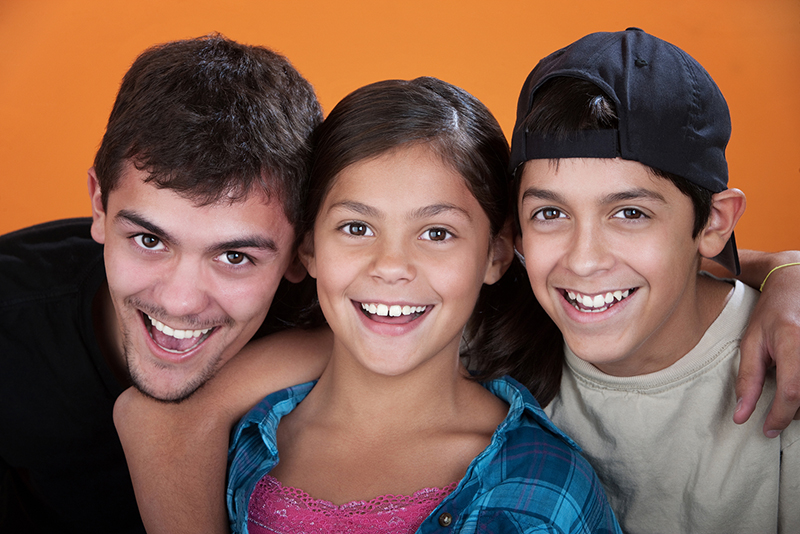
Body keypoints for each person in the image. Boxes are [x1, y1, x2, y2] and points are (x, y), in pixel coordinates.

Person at [225, 76, 621, 533]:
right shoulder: (236, 443)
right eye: (356, 228)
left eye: (437, 233)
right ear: (309, 248)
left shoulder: (544, 488)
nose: (391, 266)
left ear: (495, 254)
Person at [0, 34, 329, 533]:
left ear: (301, 250)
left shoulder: (346, 312)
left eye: (235, 256)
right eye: (150, 241)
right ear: (99, 205)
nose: (180, 300)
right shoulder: (10, 318)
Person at [507, 28, 799, 532]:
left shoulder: (789, 363)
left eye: (630, 213)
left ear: (714, 223)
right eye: (550, 213)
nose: (583, 260)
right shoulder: (497, 349)